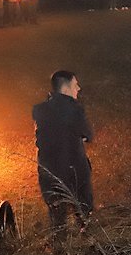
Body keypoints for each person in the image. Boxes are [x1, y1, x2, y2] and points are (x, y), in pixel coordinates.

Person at [33, 71, 94, 230]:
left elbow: (42, 137)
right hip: (75, 170)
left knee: (57, 216)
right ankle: (87, 239)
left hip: (49, 170)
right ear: (66, 89)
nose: (79, 88)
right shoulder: (75, 109)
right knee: (83, 211)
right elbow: (88, 135)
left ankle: (59, 247)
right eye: (75, 85)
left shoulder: (40, 110)